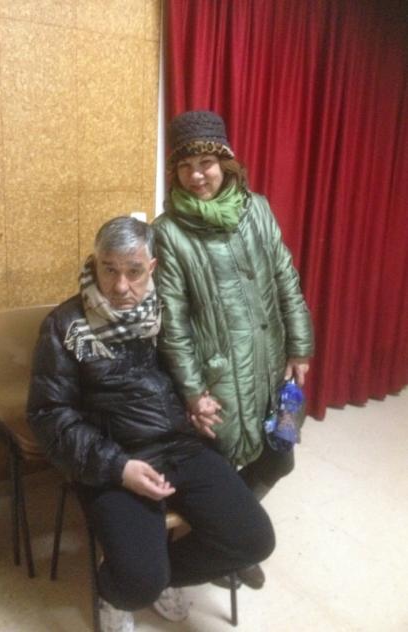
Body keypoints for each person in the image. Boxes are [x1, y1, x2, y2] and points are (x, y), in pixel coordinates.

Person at [27, 216, 275, 632]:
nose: (120, 286)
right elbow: (49, 415)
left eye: (134, 271)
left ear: (152, 267)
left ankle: (161, 580)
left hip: (181, 445)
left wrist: (197, 401)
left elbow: (196, 370)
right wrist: (118, 467)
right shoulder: (66, 326)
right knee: (137, 581)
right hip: (114, 458)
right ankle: (118, 591)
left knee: (254, 540)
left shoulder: (168, 312)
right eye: (109, 269)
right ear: (94, 262)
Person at [153, 110, 314, 589]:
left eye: (206, 163)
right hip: (215, 376)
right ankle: (226, 544)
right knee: (221, 467)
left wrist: (300, 345)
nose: (197, 176)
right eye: (185, 167)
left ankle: (230, 536)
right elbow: (173, 325)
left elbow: (285, 278)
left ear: (225, 163)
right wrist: (192, 391)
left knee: (278, 456)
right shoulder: (168, 232)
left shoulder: (257, 209)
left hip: (267, 363)